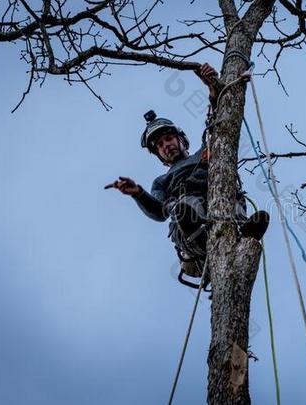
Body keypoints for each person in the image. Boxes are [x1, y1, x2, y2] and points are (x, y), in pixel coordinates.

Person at [106, 63, 269, 285]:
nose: (166, 146)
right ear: (159, 156)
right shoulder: (162, 181)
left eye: (169, 139)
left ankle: (242, 232)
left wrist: (213, 88)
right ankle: (201, 239)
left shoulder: (207, 150)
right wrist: (138, 193)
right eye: (160, 145)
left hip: (221, 204)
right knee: (186, 204)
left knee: (226, 197)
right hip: (190, 226)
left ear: (181, 140)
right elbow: (160, 211)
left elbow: (218, 124)